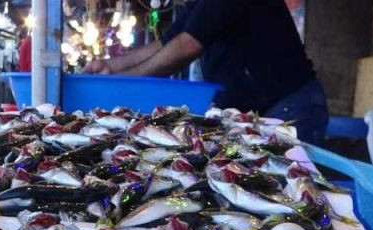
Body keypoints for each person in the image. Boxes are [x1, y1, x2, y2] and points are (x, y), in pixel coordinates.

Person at [83, 0, 328, 144]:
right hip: (259, 111)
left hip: (289, 108)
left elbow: (187, 45)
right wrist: (111, 67)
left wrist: (124, 81)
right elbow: (166, 42)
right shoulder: (198, 4)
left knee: (292, 202)